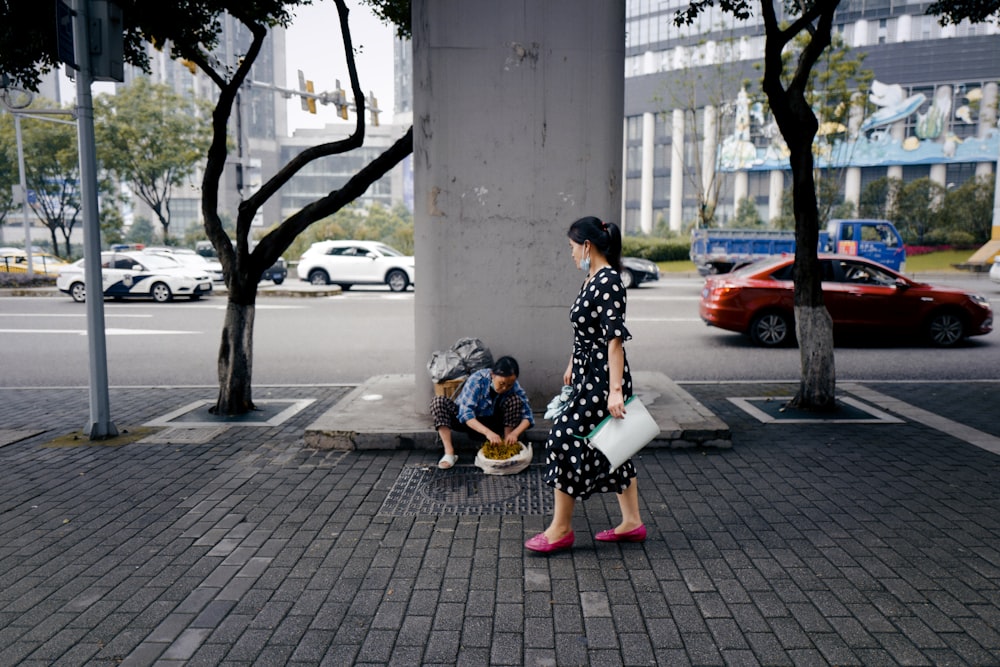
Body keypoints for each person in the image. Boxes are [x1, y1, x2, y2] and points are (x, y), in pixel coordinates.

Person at [525, 216, 645, 554]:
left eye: (572, 246)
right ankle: (632, 522)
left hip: (603, 379)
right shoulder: (592, 277)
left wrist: (616, 390)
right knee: (614, 444)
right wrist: (571, 363)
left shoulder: (608, 281)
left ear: (587, 246)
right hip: (586, 374)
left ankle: (560, 529)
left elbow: (614, 340)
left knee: (563, 437)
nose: (570, 253)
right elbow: (586, 331)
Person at [430, 356, 534, 469]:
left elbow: (527, 415)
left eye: (509, 385)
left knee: (515, 400)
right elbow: (466, 414)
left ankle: (506, 442)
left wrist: (515, 434)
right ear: (493, 375)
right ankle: (449, 452)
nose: (505, 388)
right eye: (501, 383)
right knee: (438, 402)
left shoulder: (514, 385)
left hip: (493, 422)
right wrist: (488, 433)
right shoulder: (477, 380)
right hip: (469, 422)